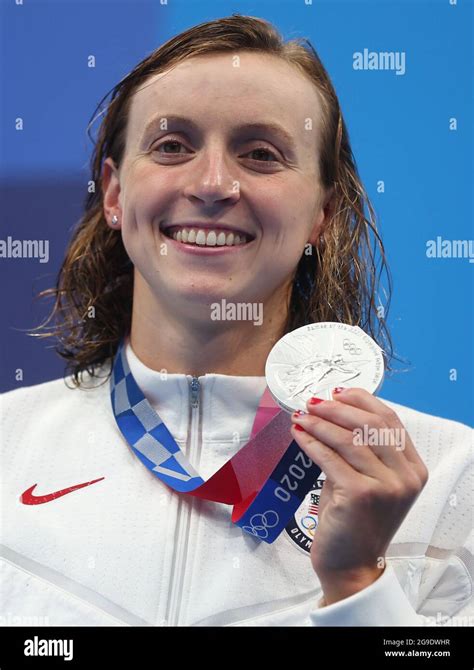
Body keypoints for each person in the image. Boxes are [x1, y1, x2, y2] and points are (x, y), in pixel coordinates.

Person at [1, 14, 472, 627]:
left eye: (260, 154)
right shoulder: (7, 446)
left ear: (321, 216)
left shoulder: (450, 478)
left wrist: (358, 586)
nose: (213, 184)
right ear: (115, 195)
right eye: (172, 146)